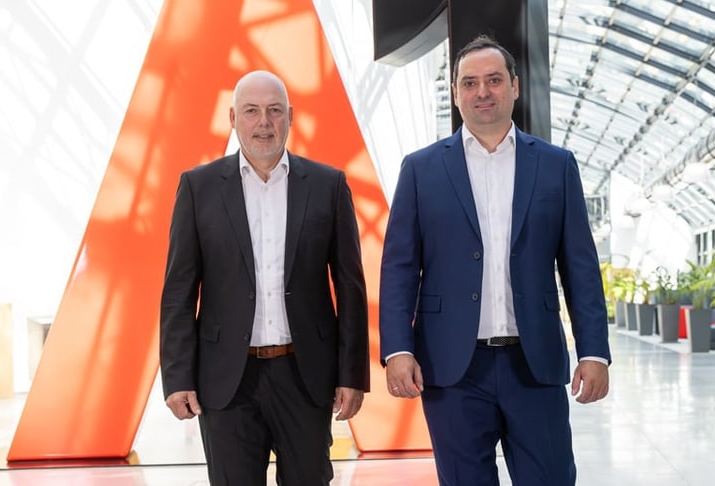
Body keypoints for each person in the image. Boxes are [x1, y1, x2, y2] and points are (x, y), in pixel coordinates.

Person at [379, 35, 611, 485]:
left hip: (534, 363)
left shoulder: (556, 165)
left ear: (515, 87)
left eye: (494, 80)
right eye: (469, 83)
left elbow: (580, 266)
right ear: (455, 93)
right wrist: (398, 349)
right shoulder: (421, 169)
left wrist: (594, 351)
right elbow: (399, 268)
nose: (482, 91)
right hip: (452, 370)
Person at [159, 70, 369, 486]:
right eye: (251, 111)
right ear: (233, 118)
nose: (264, 122)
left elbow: (350, 287)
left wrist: (351, 374)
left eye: (274, 111)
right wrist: (178, 377)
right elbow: (178, 292)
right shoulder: (198, 188)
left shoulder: (328, 185)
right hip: (226, 381)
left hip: (305, 375)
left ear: (290, 116)